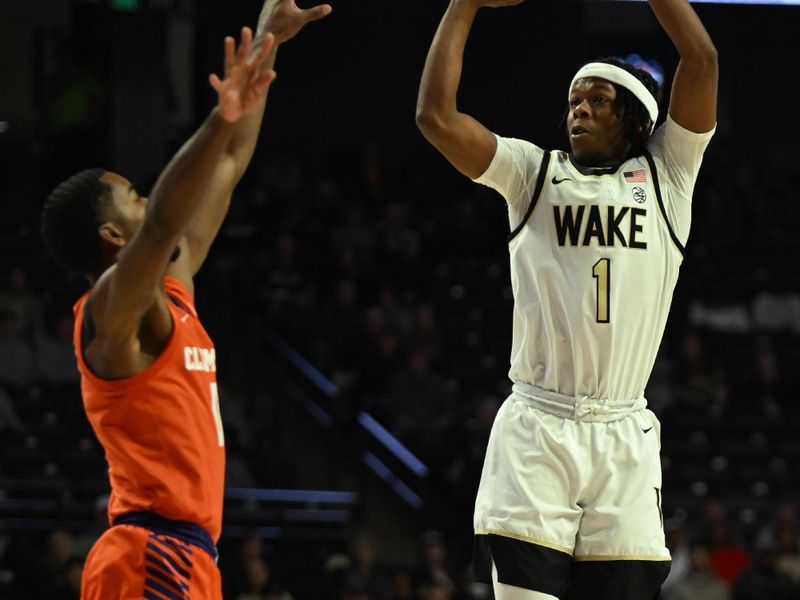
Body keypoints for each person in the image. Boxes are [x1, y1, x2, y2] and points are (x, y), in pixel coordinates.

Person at [416, 0, 717, 598]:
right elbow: (435, 118)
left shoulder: (668, 177)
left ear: (633, 119)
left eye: (596, 100)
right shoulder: (533, 173)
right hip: (537, 428)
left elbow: (701, 58)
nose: (578, 109)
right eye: (574, 101)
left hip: (622, 432)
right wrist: (464, 6)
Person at [39, 1, 331, 597]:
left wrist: (266, 43)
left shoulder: (173, 290)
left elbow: (228, 162)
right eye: (131, 194)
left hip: (189, 555)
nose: (145, 198)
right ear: (111, 235)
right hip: (148, 552)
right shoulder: (111, 312)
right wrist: (217, 120)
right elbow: (165, 221)